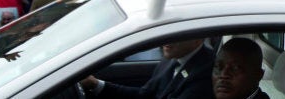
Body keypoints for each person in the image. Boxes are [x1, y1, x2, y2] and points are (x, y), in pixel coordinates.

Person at [81, 39, 215, 98]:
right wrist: (97, 84)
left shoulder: (205, 72)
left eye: (176, 36)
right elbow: (145, 94)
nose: (167, 41)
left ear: (198, 40)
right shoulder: (173, 57)